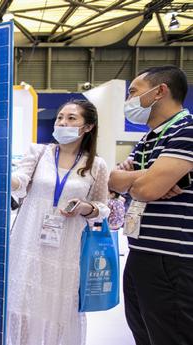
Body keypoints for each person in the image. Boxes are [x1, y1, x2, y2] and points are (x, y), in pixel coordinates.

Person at [7, 99, 110, 345]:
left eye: (71, 118)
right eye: (60, 117)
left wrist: (87, 208)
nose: (63, 122)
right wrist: (5, 177)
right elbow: (21, 180)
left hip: (66, 248)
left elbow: (103, 207)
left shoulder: (96, 164)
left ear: (88, 127)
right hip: (28, 241)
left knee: (57, 309)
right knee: (22, 304)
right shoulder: (39, 152)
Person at [108, 65, 193, 345]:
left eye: (134, 92)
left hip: (173, 260)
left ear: (160, 91)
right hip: (139, 252)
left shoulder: (187, 130)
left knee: (172, 336)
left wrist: (142, 181)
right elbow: (114, 179)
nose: (129, 100)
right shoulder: (147, 138)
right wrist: (152, 175)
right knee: (144, 334)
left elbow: (145, 189)